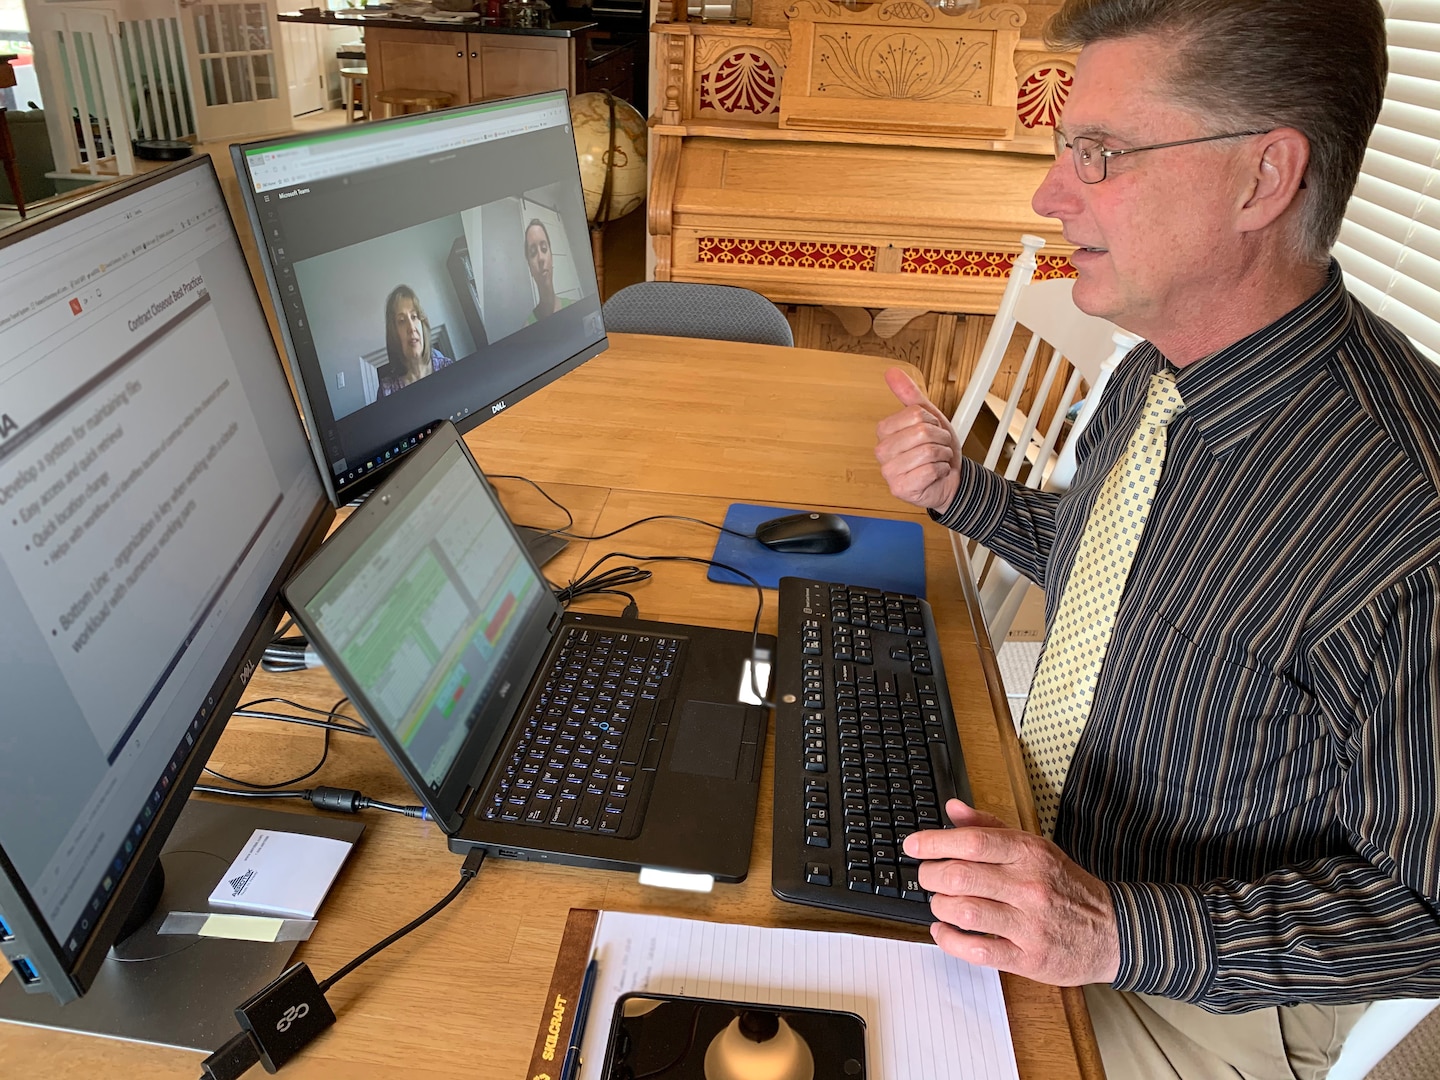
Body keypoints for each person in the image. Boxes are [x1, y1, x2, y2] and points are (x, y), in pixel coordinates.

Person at [872, 2, 1440, 1078]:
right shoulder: (1160, 370)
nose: (1050, 194)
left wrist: (1115, 931)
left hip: (1192, 990)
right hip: (1057, 862)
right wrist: (965, 494)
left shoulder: (1408, 521)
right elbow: (1110, 572)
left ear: (1263, 179)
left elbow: (1427, 903)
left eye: (1102, 154)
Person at [378, 285, 453, 398]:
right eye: (402, 321)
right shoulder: (387, 391)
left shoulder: (447, 368)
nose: (411, 327)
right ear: (394, 334)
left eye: (414, 316)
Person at [523, 219, 575, 324]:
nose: (540, 258)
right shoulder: (528, 326)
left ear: (551, 257)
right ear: (530, 267)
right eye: (533, 253)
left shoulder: (574, 308)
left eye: (544, 248)